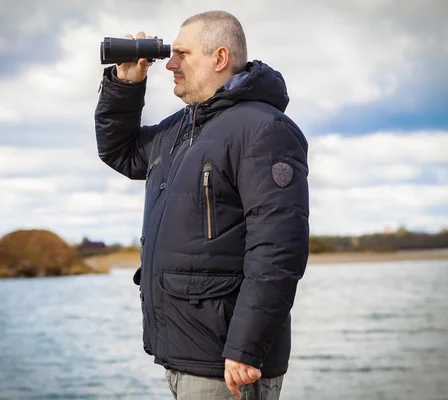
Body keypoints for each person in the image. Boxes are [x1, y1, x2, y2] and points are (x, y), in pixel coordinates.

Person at [95, 10, 309, 400]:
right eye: (170, 54)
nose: (170, 65)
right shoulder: (182, 128)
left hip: (227, 364)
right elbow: (121, 152)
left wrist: (246, 348)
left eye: (182, 54)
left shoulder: (264, 130)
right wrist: (125, 86)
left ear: (220, 58)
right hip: (183, 354)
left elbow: (278, 250)